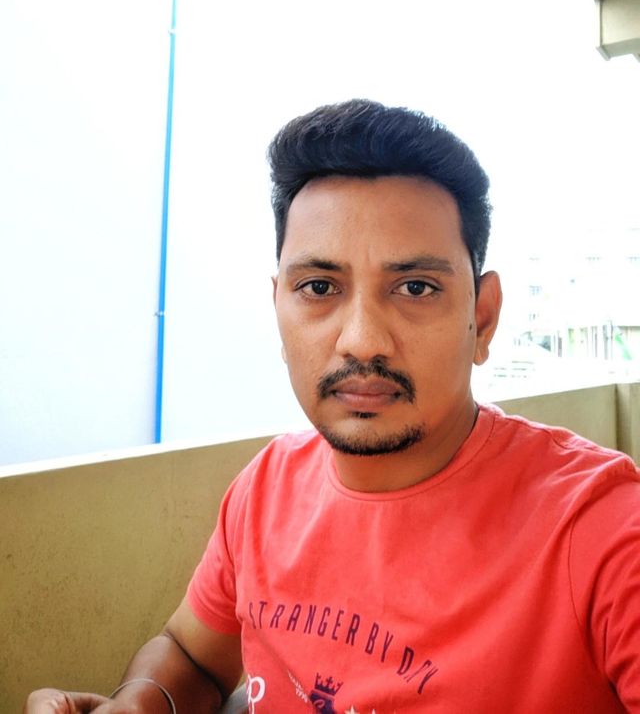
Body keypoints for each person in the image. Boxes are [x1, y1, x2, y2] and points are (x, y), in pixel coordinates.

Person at [25, 100, 640, 713]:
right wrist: (141, 701)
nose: (363, 341)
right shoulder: (266, 490)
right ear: (278, 307)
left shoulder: (602, 530)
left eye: (416, 287)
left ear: (482, 317)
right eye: (319, 288)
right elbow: (190, 654)